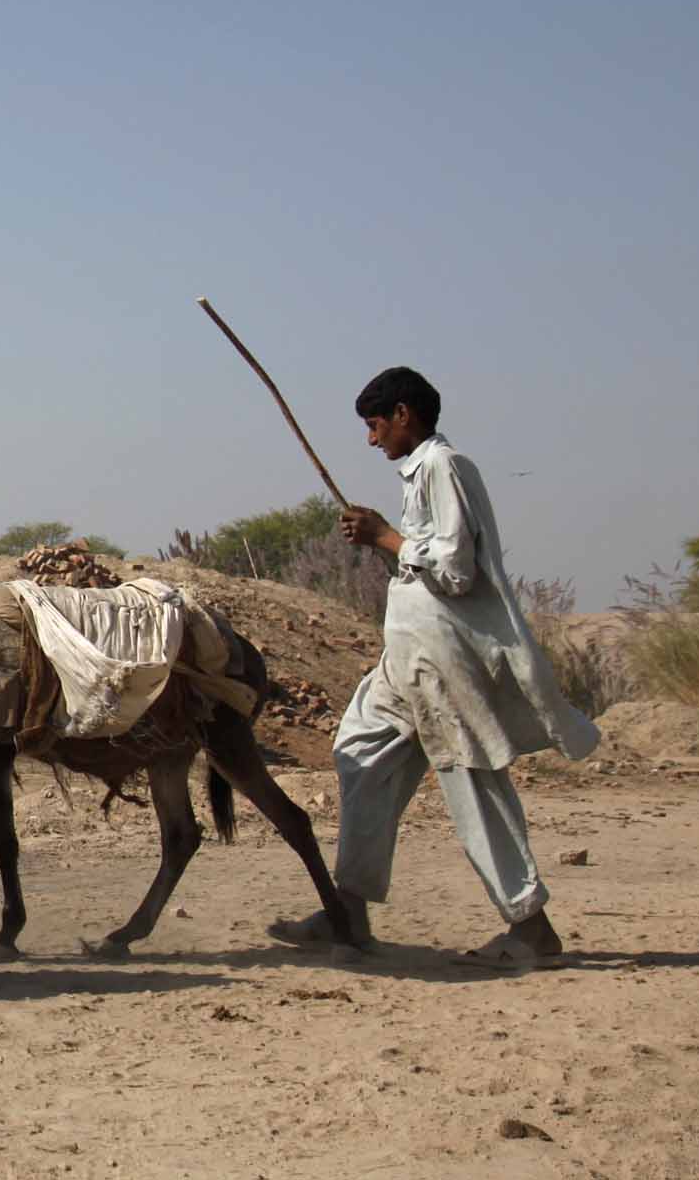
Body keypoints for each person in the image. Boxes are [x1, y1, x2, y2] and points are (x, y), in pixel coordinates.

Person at [272, 366, 598, 966]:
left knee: (473, 783)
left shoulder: (445, 467)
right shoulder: (419, 472)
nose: (372, 440)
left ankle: (530, 926)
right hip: (408, 661)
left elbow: (455, 569)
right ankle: (348, 910)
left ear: (404, 413)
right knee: (360, 754)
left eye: (375, 425)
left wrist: (386, 538)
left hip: (443, 664)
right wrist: (384, 539)